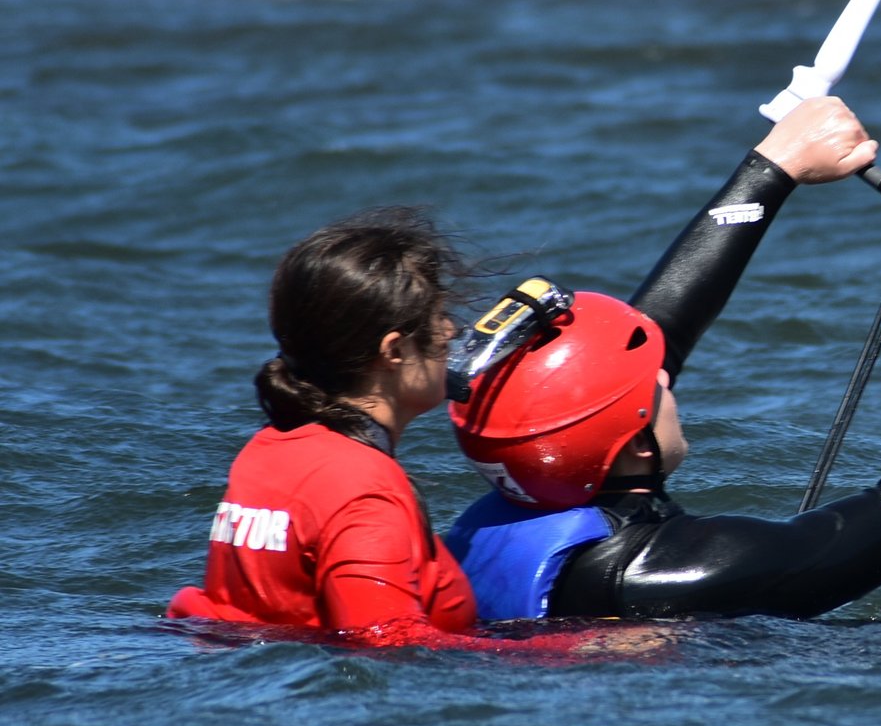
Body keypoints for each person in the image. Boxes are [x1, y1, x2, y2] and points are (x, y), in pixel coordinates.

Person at [442, 96, 881, 622]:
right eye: (653, 388)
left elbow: (647, 343)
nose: (665, 373)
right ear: (631, 446)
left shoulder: (509, 514)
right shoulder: (675, 571)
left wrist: (774, 166)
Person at [164, 208, 638, 652]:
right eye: (437, 318)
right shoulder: (362, 488)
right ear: (393, 351)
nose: (453, 331)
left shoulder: (266, 452)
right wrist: (580, 648)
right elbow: (388, 641)